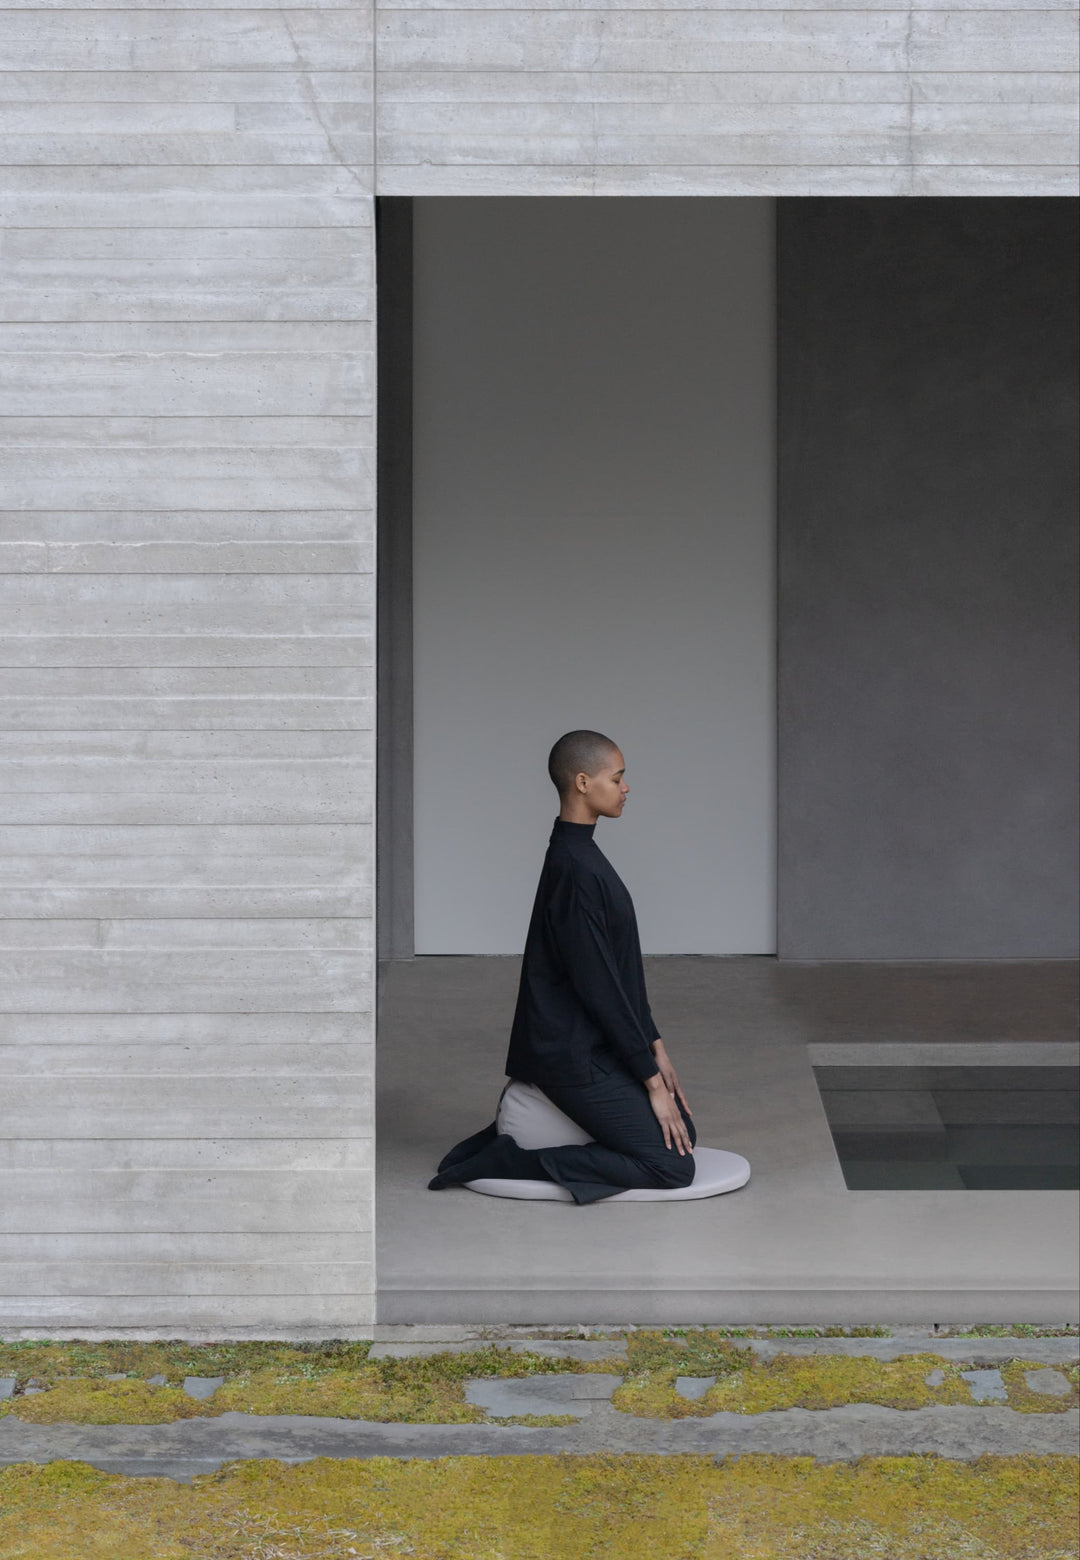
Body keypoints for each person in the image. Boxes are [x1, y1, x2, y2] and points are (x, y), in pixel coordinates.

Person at [428, 729, 696, 1204]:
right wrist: (649, 1081)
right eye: (618, 778)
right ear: (582, 783)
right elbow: (599, 988)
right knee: (673, 1165)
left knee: (683, 1128)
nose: (626, 787)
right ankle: (511, 1159)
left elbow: (618, 974)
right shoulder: (574, 869)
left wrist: (655, 1046)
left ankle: (519, 1142)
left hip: (592, 1043)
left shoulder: (582, 854)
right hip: (570, 1056)